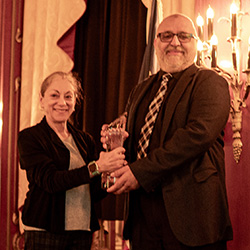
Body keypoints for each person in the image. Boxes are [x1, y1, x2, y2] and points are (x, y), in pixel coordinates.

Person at [101, 14, 233, 250]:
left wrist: (138, 172)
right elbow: (136, 136)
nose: (174, 42)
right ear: (155, 43)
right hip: (143, 217)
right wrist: (115, 141)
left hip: (193, 217)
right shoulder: (141, 89)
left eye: (183, 36)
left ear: (196, 42)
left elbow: (196, 136)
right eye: (166, 36)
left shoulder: (210, 82)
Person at [18, 71, 126, 250]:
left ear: (75, 103)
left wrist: (112, 165)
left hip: (82, 232)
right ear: (42, 100)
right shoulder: (30, 137)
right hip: (44, 232)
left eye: (68, 96)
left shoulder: (85, 140)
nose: (62, 102)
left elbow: (95, 191)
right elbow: (51, 181)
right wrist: (98, 166)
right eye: (54, 95)